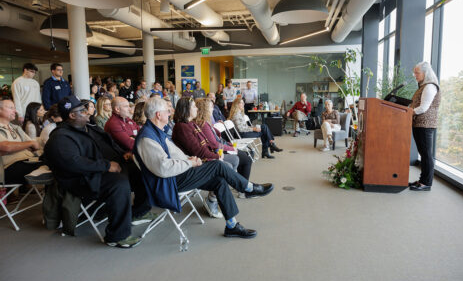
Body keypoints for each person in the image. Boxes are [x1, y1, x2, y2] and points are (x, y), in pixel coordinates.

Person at [134, 96, 274, 239]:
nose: (170, 113)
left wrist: (188, 159)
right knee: (217, 165)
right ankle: (248, 188)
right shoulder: (147, 138)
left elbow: (175, 153)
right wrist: (190, 163)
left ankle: (232, 225)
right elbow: (163, 169)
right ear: (158, 114)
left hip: (178, 174)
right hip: (168, 183)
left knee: (219, 180)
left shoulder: (157, 131)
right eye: (167, 110)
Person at [43, 95, 154, 248]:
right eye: (83, 110)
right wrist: (107, 166)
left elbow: (109, 143)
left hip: (106, 167)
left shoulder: (88, 127)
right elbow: (74, 163)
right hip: (84, 178)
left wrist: (123, 153)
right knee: (119, 184)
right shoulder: (60, 138)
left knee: (142, 169)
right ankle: (117, 236)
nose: (88, 112)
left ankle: (138, 212)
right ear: (72, 115)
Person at [195, 97, 253, 185]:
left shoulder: (206, 122)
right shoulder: (203, 124)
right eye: (211, 107)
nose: (213, 109)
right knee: (246, 159)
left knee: (245, 156)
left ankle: (241, 184)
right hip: (217, 152)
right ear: (205, 109)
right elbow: (214, 143)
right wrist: (230, 148)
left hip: (220, 148)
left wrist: (230, 145)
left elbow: (218, 140)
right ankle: (243, 187)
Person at [409, 62, 441, 191]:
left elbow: (423, 108)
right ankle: (423, 180)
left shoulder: (430, 87)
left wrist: (408, 112)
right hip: (419, 123)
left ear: (425, 73)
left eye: (417, 73)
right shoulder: (423, 86)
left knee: (426, 154)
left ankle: (426, 183)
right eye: (415, 72)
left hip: (425, 124)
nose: (415, 75)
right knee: (423, 153)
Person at [0, 99, 42, 185]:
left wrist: (17, 146)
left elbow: (36, 146)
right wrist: (28, 144)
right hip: (9, 168)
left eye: (14, 108)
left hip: (28, 161)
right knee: (54, 165)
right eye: (11, 108)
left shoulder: (16, 128)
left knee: (56, 160)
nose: (15, 111)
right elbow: (6, 147)